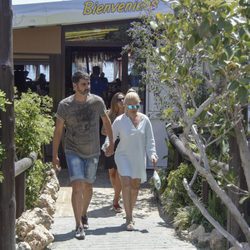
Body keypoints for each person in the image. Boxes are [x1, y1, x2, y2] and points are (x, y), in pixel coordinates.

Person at [52, 71, 114, 240]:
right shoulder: (65, 105)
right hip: (72, 150)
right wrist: (55, 154)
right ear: (74, 86)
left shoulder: (97, 102)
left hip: (93, 150)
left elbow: (107, 122)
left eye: (88, 84)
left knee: (87, 186)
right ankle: (78, 224)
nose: (87, 87)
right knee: (77, 185)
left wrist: (111, 143)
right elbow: (58, 131)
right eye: (83, 84)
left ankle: (84, 212)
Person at [103, 90, 158, 231]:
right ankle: (129, 218)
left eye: (137, 106)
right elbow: (111, 137)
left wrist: (152, 154)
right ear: (125, 106)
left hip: (139, 158)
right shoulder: (119, 121)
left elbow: (150, 140)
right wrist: (107, 147)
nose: (134, 109)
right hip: (122, 156)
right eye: (131, 106)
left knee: (135, 187)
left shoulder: (145, 120)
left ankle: (130, 212)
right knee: (126, 183)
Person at [101, 92, 125, 213]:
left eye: (123, 99)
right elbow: (103, 131)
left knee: (120, 173)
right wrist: (112, 134)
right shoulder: (109, 114)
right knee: (112, 173)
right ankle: (117, 192)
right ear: (115, 101)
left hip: (123, 145)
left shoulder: (128, 114)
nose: (122, 101)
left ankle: (116, 200)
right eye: (120, 99)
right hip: (111, 144)